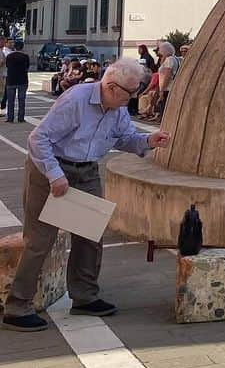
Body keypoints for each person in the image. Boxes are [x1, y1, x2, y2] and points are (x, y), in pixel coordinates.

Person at [1, 61, 170, 331]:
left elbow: (124, 138)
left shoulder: (117, 109)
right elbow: (38, 138)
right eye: (131, 92)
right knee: (39, 241)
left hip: (86, 171)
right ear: (112, 88)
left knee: (90, 236)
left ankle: (84, 296)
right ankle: (17, 307)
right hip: (50, 170)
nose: (134, 97)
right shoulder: (76, 100)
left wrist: (148, 141)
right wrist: (55, 176)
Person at [4, 40, 30, 124]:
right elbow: (27, 67)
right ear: (22, 47)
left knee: (10, 101)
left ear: (14, 47)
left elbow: (7, 66)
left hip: (11, 80)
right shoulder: (25, 56)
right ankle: (21, 118)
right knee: (21, 100)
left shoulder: (9, 56)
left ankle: (10, 118)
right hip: (22, 80)